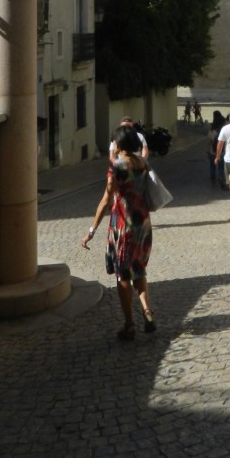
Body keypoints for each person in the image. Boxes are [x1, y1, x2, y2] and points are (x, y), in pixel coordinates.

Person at [82, 124, 156, 339]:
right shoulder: (142, 163)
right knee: (139, 270)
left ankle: (130, 325)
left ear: (119, 143)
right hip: (143, 224)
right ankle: (148, 313)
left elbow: (107, 199)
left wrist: (91, 230)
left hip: (123, 226)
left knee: (123, 276)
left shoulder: (117, 167)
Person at [206, 110, 225, 186]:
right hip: (221, 152)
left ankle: (212, 179)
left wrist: (207, 151)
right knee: (221, 166)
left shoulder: (211, 131)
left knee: (212, 166)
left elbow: (208, 142)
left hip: (212, 151)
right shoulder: (223, 130)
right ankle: (221, 177)